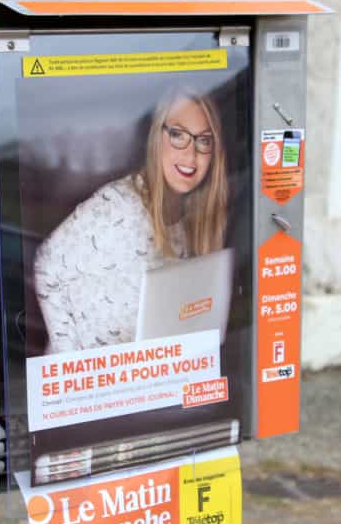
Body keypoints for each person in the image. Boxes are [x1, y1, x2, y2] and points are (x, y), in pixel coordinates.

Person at [33, 86, 229, 353]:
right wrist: (71, 363)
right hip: (91, 385)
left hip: (140, 381)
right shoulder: (119, 205)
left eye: (204, 141)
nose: (191, 154)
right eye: (178, 135)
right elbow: (47, 265)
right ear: (156, 137)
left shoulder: (190, 219)